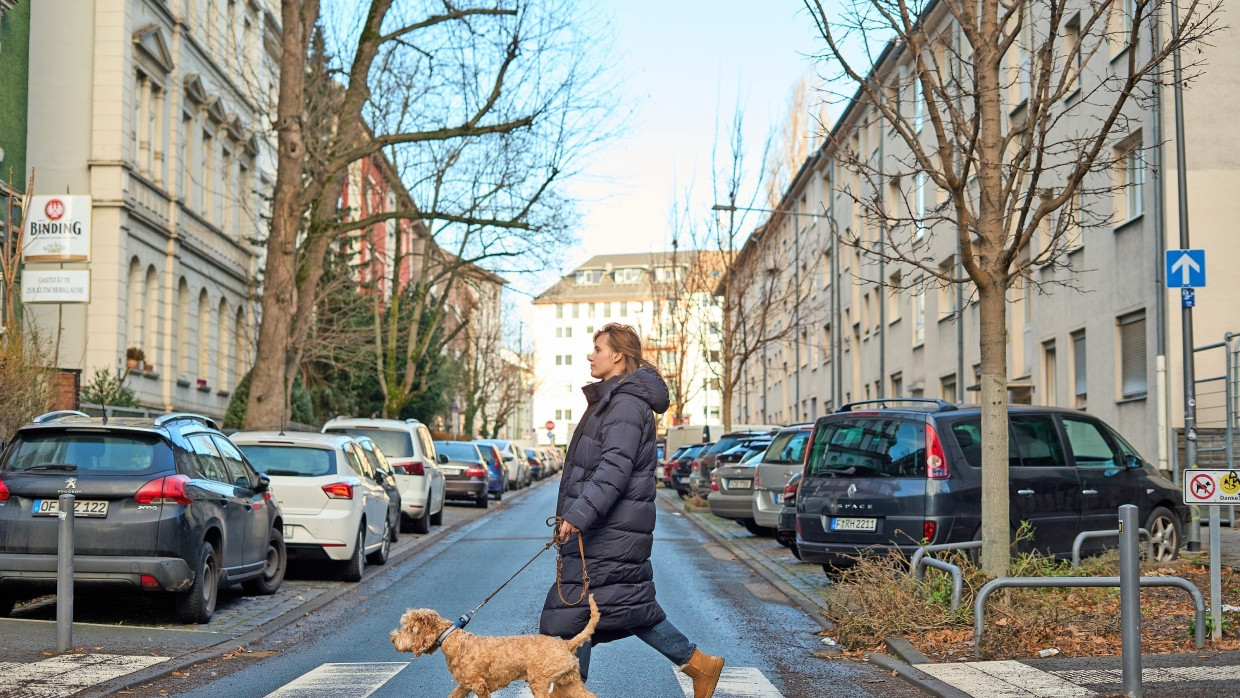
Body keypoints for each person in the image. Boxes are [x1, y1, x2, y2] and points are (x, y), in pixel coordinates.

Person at [540, 323, 725, 698]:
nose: (591, 356)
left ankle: (569, 691)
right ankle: (700, 665)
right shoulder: (614, 400)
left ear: (617, 356)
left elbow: (613, 468)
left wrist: (578, 514)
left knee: (577, 608)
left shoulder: (624, 403)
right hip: (607, 527)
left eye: (597, 348)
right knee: (611, 605)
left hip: (610, 529)